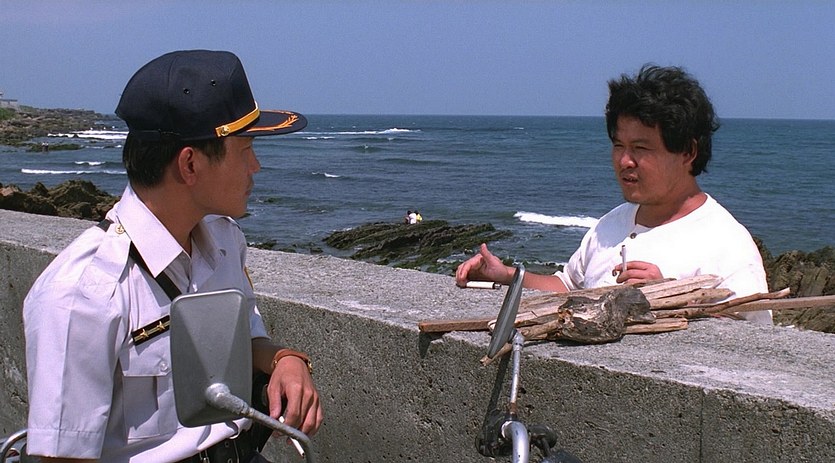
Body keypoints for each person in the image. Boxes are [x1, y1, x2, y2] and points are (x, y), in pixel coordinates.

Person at [23, 50, 323, 462]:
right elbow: (63, 456)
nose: (255, 166)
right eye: (244, 150)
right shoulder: (83, 294)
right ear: (190, 164)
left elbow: (244, 339)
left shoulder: (224, 242)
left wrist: (284, 360)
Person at [455, 64, 771, 324]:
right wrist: (508, 275)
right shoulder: (610, 225)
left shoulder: (727, 245)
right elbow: (568, 287)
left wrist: (668, 296)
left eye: (641, 148)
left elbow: (750, 344)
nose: (624, 161)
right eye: (619, 145)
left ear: (688, 152)